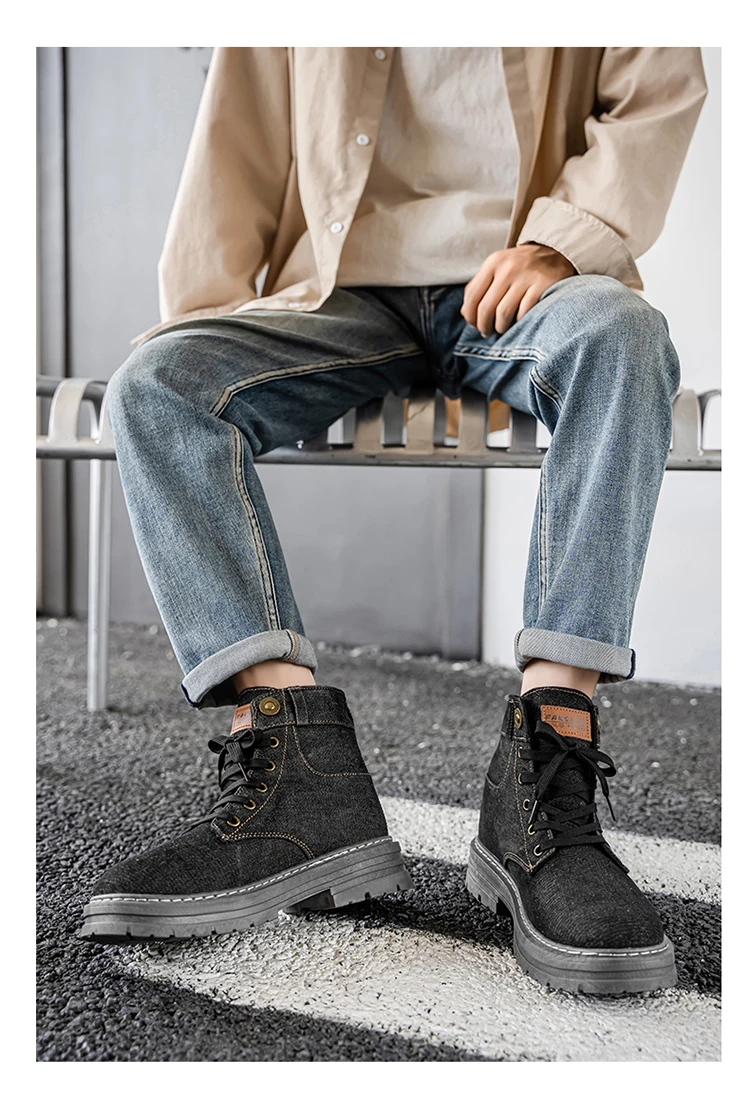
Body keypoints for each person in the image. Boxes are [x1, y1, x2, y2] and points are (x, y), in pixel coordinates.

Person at [81, 47, 706, 995]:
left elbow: (655, 88)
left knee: (622, 336)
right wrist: (210, 311)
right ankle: (301, 771)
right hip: (337, 292)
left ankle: (547, 764)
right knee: (160, 383)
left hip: (519, 286)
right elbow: (240, 130)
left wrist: (566, 240)